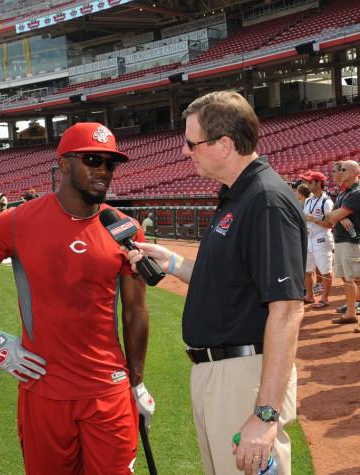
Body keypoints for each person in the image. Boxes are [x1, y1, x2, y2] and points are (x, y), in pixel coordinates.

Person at [0, 122, 155, 475]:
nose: (103, 171)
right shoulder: (15, 222)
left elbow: (135, 311)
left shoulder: (124, 228)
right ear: (63, 165)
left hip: (109, 393)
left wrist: (137, 382)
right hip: (43, 393)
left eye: (110, 163)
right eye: (93, 159)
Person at [125, 91, 306, 475]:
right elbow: (229, 283)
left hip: (244, 377)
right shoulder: (235, 197)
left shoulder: (265, 200)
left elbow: (288, 310)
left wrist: (266, 413)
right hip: (219, 373)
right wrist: (171, 262)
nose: (186, 152)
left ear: (224, 144)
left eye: (192, 143)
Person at [326, 160, 360, 330]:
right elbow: (331, 216)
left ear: (355, 172)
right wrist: (340, 216)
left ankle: (353, 312)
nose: (340, 172)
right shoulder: (344, 192)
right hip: (342, 240)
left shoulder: (356, 192)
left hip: (352, 241)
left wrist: (339, 215)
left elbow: (334, 216)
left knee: (357, 279)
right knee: (348, 279)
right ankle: (351, 313)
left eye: (344, 169)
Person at [300, 170, 334, 308]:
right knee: (306, 270)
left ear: (318, 183)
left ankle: (325, 298)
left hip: (321, 239)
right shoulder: (308, 200)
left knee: (325, 271)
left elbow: (331, 224)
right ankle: (309, 296)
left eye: (310, 182)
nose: (307, 184)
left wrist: (314, 220)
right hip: (309, 240)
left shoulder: (326, 202)